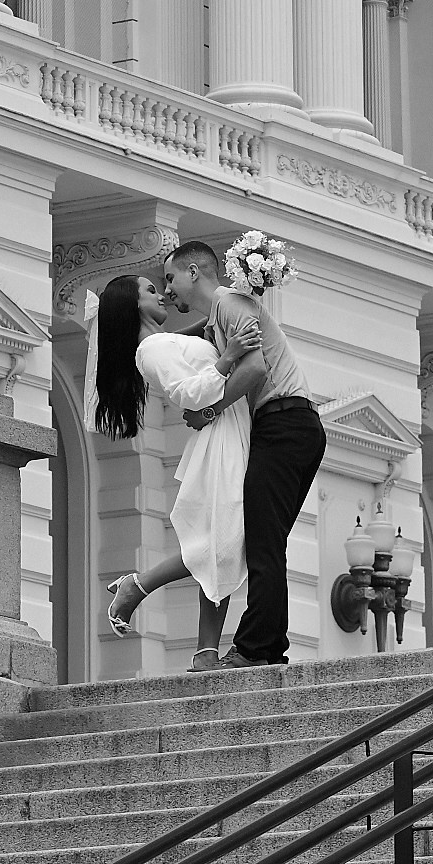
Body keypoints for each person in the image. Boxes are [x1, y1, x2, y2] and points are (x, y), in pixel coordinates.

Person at [165, 233, 326, 668]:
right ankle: (267, 647)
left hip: (284, 424)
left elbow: (255, 367)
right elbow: (184, 345)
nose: (166, 290)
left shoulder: (230, 305)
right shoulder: (220, 317)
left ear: (193, 271)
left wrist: (209, 411)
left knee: (262, 543)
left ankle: (257, 649)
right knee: (266, 542)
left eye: (170, 277)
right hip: (293, 427)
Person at [91, 270, 250, 669]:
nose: (161, 294)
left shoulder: (163, 342)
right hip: (220, 436)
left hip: (230, 431)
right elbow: (188, 395)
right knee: (220, 543)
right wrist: (229, 357)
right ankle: (140, 588)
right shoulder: (151, 350)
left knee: (224, 545)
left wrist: (227, 305)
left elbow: (198, 337)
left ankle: (204, 651)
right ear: (133, 306)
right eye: (150, 290)